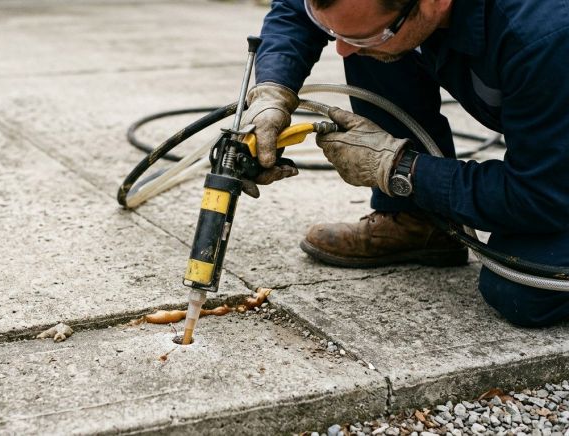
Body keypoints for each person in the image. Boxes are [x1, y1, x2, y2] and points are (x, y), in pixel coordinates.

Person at [239, 0, 569, 326]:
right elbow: (297, 8)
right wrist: (273, 89)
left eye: (364, 35)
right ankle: (417, 218)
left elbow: (540, 192)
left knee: (523, 287)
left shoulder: (544, 36)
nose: (341, 49)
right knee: (377, 47)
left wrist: (400, 168)